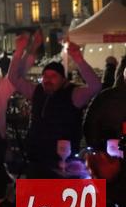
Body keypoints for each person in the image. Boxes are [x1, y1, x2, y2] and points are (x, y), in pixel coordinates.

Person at [9, 36, 101, 178]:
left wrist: (79, 59)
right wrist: (19, 50)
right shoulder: (37, 91)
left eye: (53, 76)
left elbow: (95, 86)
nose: (48, 80)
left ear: (63, 79)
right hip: (36, 158)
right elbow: (13, 78)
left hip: (63, 162)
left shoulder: (73, 94)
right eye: (45, 76)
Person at [83, 66, 126, 151]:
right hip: (109, 149)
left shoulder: (104, 96)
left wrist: (96, 149)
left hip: (108, 149)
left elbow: (90, 124)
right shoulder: (106, 97)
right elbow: (91, 123)